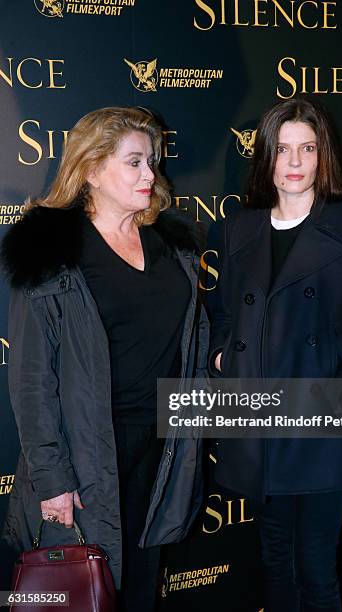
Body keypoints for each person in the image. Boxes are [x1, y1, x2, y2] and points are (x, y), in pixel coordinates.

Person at [1, 106, 208, 612]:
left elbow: (193, 343)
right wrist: (53, 480)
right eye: (134, 162)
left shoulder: (170, 248)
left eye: (152, 162)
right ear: (92, 169)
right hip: (87, 458)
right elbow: (31, 380)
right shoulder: (51, 251)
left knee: (139, 587)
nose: (150, 175)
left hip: (160, 453)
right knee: (86, 592)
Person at [208, 97, 342, 612]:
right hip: (258, 421)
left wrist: (334, 358)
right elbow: (222, 319)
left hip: (325, 416)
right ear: (265, 158)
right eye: (282, 149)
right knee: (275, 564)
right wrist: (221, 359)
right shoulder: (236, 230)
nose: (294, 162)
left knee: (316, 571)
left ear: (324, 158)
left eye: (308, 149)